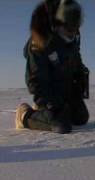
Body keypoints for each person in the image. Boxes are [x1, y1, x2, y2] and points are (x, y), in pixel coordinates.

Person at [15, 0, 89, 134]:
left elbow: (76, 63)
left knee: (80, 118)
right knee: (61, 126)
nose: (73, 30)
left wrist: (80, 78)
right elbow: (36, 80)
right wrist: (48, 103)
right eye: (70, 26)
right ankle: (25, 115)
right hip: (48, 94)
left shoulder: (73, 40)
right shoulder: (41, 41)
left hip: (65, 91)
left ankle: (54, 112)